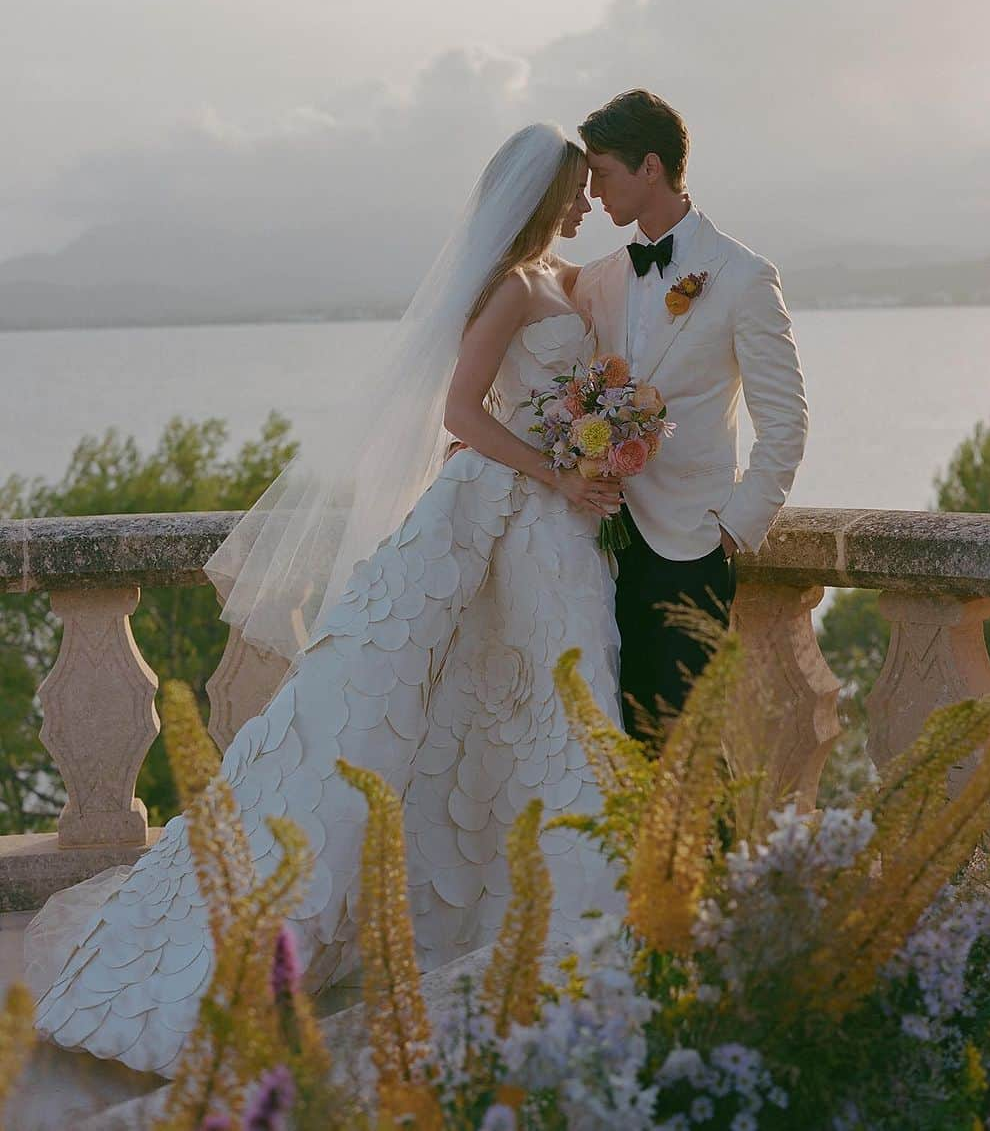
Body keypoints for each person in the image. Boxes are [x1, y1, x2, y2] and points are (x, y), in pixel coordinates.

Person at [24, 123, 626, 1077]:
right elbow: (461, 414)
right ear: (538, 197)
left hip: (552, 522)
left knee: (524, 705)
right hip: (508, 509)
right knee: (424, 699)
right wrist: (559, 472)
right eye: (573, 191)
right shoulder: (511, 291)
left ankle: (546, 911)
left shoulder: (566, 279)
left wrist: (602, 445)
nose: (586, 200)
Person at [573, 89, 809, 737]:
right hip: (599, 549)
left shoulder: (741, 276)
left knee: (684, 746)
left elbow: (785, 421)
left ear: (650, 167)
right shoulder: (601, 278)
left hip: (690, 547)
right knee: (615, 744)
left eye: (602, 172)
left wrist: (730, 529)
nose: (593, 192)